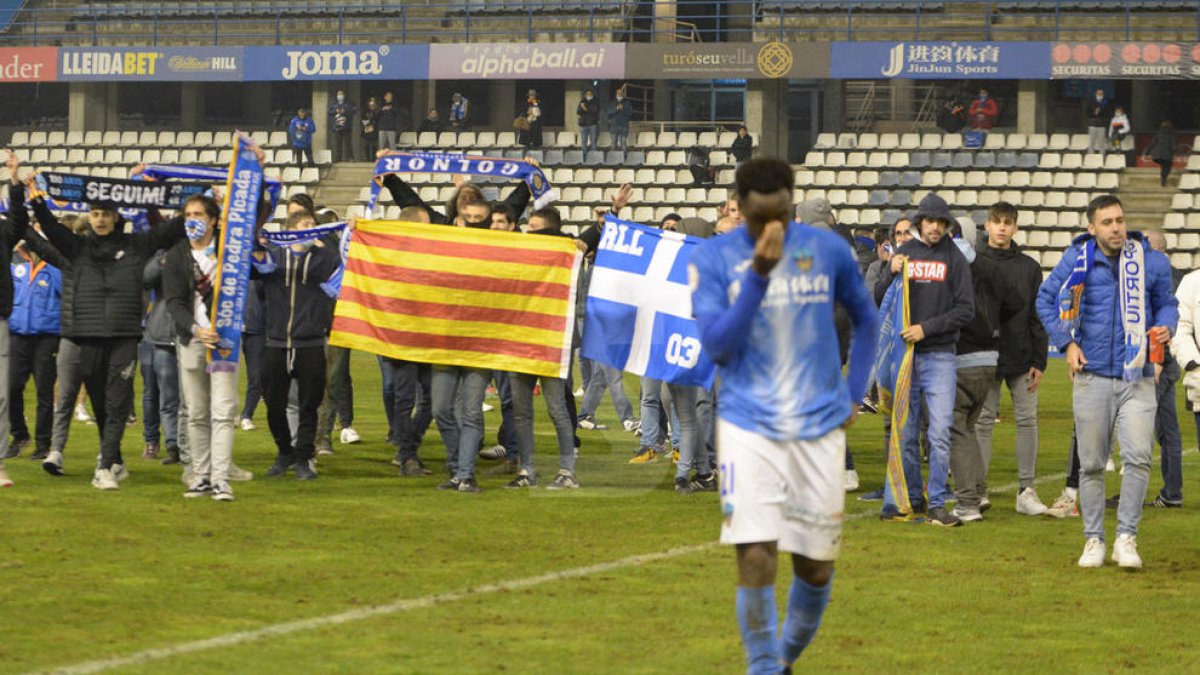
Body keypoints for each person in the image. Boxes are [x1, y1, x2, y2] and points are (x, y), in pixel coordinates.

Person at [690, 157, 878, 673]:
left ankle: (781, 660)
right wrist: (757, 277)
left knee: (815, 569)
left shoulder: (829, 250)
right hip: (748, 425)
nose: (770, 229)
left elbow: (867, 318)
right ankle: (764, 668)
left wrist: (853, 391)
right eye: (758, 219)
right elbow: (717, 348)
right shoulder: (713, 259)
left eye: (780, 216)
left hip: (818, 426)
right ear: (739, 207)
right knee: (754, 555)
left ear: (792, 202)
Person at [7, 152, 187, 490]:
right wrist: (33, 195)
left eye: (105, 214)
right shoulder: (77, 248)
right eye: (94, 213)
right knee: (103, 404)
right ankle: (115, 459)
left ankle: (104, 467)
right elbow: (45, 227)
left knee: (118, 400)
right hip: (87, 336)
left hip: (123, 335)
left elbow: (171, 230)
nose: (100, 219)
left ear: (116, 216)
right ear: (88, 217)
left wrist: (206, 199)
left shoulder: (136, 245)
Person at [1035, 194, 1177, 569]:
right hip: (1092, 375)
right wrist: (1066, 343)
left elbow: (1166, 303)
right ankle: (1094, 540)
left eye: (1119, 220)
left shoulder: (1149, 259)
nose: (1116, 228)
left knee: (1138, 457)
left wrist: (1167, 325)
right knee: (1093, 464)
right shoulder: (1077, 258)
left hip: (1138, 375)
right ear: (1092, 228)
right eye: (1108, 222)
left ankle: (1126, 538)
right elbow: (1045, 299)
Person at [874, 193, 975, 526]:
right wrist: (889, 271)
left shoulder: (955, 258)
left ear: (947, 226)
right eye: (930, 221)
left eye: (940, 222)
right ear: (920, 223)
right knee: (905, 432)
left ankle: (937, 504)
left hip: (940, 354)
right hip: (905, 356)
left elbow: (966, 310)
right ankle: (913, 499)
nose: (935, 227)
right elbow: (881, 299)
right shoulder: (903, 253)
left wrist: (925, 329)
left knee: (940, 433)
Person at [253, 209, 343, 481]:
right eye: (305, 225)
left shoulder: (323, 258)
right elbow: (256, 273)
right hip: (276, 342)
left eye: (313, 226)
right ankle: (284, 452)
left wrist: (324, 244)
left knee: (309, 404)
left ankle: (304, 457)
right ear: (290, 230)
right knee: (273, 403)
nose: (311, 229)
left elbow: (341, 263)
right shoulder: (275, 257)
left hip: (311, 342)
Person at [972, 202, 1050, 516]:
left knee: (1027, 421)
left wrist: (1040, 359)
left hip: (1021, 355)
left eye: (1008, 222)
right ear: (987, 226)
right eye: (997, 222)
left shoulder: (1029, 267)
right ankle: (976, 490)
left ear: (1015, 227)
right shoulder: (972, 263)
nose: (1002, 227)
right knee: (982, 423)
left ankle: (1026, 490)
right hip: (983, 355)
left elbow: (1037, 315)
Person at [163, 195, 240, 501]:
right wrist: (195, 329)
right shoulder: (176, 254)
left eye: (198, 214)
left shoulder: (228, 251)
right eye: (188, 214)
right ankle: (201, 476)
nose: (193, 219)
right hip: (192, 340)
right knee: (195, 412)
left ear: (212, 219)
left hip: (225, 343)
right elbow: (174, 302)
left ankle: (221, 478)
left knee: (222, 411)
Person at [946, 217, 1022, 522]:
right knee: (969, 429)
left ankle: (966, 502)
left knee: (957, 428)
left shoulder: (948, 264)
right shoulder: (990, 266)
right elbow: (1016, 302)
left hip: (961, 355)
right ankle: (978, 491)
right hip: (989, 359)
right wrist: (991, 325)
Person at [5, 231, 61, 463]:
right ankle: (19, 435)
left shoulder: (57, 269)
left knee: (44, 392)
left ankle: (43, 443)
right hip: (18, 335)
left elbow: (68, 295)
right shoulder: (17, 266)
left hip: (47, 337)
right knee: (10, 388)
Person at [1143, 230, 1184, 509]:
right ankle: (1172, 493)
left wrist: (1155, 360)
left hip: (1158, 359)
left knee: (1141, 427)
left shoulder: (1158, 275)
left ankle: (1134, 494)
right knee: (1169, 431)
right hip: (1171, 362)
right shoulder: (1179, 276)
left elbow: (1160, 319)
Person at [326, 89, 357, 164]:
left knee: (348, 143)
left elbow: (354, 110)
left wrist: (345, 110)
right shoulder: (333, 103)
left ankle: (349, 157)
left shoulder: (349, 102)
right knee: (337, 144)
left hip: (347, 126)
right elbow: (329, 111)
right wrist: (336, 111)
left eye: (341, 94)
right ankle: (338, 158)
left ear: (344, 95)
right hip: (336, 127)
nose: (340, 96)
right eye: (338, 94)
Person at [1147, 120, 1176, 187]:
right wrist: (1174, 151)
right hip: (1167, 155)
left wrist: (1147, 152)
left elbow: (1152, 143)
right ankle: (1164, 178)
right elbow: (1173, 146)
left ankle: (1163, 178)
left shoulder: (1158, 133)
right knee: (1167, 166)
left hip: (1157, 156)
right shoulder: (1171, 135)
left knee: (1163, 165)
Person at [1084, 88, 1111, 154]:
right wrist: (1094, 112)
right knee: (1091, 142)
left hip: (1101, 125)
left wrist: (1101, 111)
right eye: (1099, 93)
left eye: (1101, 94)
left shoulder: (1106, 102)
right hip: (1092, 125)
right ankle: (1091, 157)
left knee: (1101, 143)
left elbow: (1108, 114)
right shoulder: (1091, 101)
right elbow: (1087, 113)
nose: (1100, 95)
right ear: (1096, 94)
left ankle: (1101, 158)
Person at [577, 89, 600, 157]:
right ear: (585, 95)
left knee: (593, 142)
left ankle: (594, 157)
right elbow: (578, 111)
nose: (588, 95)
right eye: (587, 94)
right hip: (583, 124)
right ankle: (584, 156)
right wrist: (582, 108)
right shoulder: (582, 101)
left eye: (590, 94)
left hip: (592, 124)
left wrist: (585, 108)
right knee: (584, 142)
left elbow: (594, 110)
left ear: (592, 95)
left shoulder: (595, 101)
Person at [608, 85, 632, 150]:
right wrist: (617, 108)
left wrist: (623, 109)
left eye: (621, 93)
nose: (619, 94)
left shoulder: (627, 102)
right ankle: (613, 158)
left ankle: (624, 157)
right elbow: (609, 112)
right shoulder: (612, 102)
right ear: (616, 94)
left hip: (624, 126)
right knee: (613, 143)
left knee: (623, 143)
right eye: (618, 93)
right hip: (614, 126)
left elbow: (630, 113)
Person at [360, 97, 379, 161]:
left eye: (373, 102)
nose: (372, 103)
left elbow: (378, 119)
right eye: (371, 102)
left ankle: (373, 159)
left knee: (374, 145)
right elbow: (362, 119)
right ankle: (367, 159)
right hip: (367, 129)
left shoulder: (377, 111)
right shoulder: (365, 111)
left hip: (375, 130)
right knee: (367, 144)